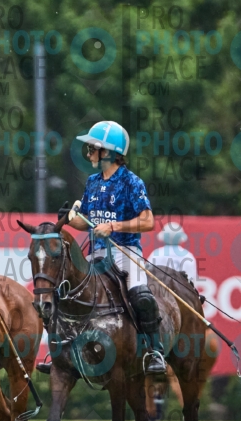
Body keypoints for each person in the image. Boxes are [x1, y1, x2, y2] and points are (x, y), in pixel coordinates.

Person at [61, 120, 166, 375]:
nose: (88, 154)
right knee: (67, 291)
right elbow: (85, 222)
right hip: (95, 254)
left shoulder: (132, 182)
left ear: (108, 151)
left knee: (140, 295)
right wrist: (69, 218)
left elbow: (148, 221)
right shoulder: (92, 182)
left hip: (125, 252)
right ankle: (64, 350)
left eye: (92, 149)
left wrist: (113, 226)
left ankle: (155, 351)